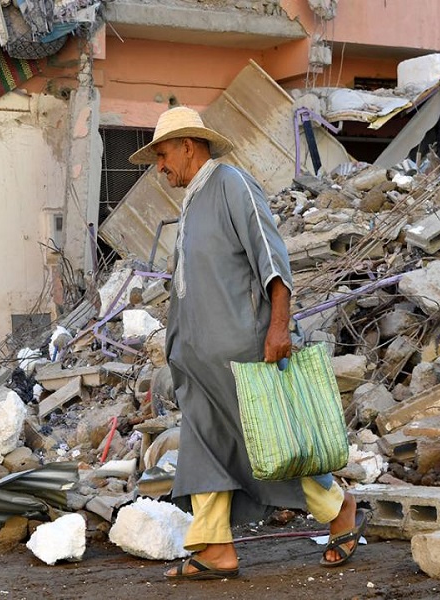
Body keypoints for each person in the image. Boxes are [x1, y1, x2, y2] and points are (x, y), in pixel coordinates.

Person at [128, 107, 370, 580]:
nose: (159, 166)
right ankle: (215, 547)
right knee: (205, 444)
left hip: (244, 352)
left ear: (189, 146)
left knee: (271, 440)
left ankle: (339, 509)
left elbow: (272, 258)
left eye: (162, 154)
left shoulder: (232, 184)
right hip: (197, 359)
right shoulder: (192, 201)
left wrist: (279, 328)